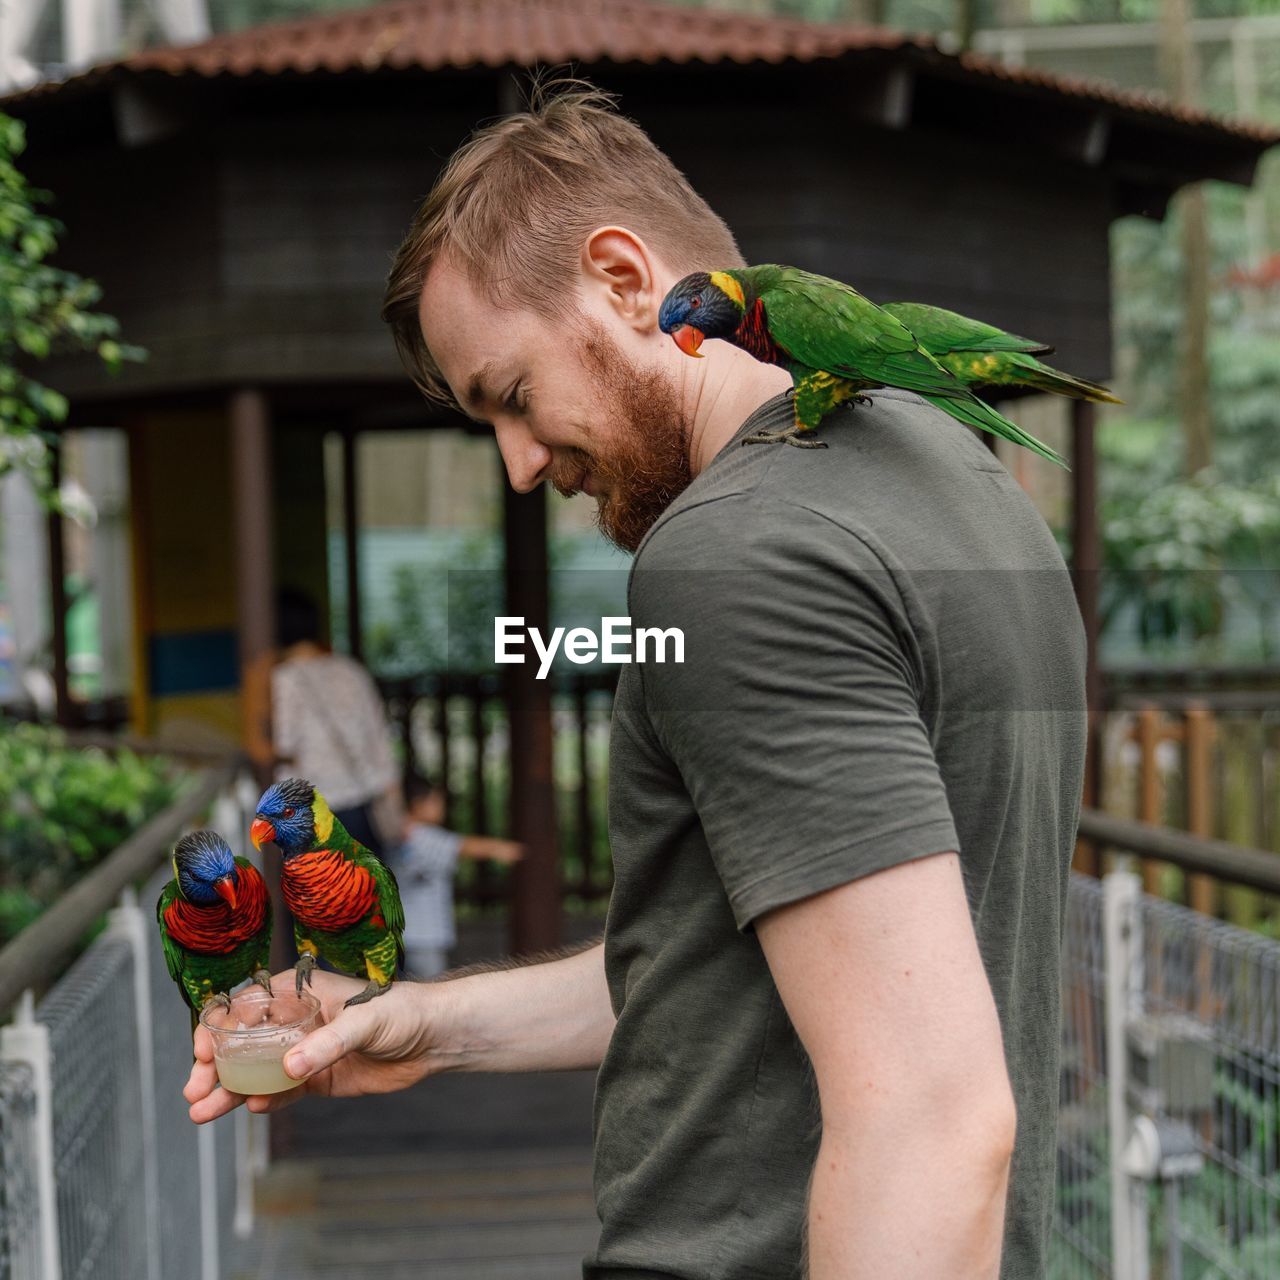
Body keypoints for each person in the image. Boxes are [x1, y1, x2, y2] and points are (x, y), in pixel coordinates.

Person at [188, 82, 1088, 1280]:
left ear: (624, 279)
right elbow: (757, 971)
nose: (516, 465)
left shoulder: (734, 553)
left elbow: (929, 1113)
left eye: (511, 397)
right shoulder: (959, 477)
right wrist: (432, 1025)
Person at [255, 586, 402, 857]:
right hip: (363, 808)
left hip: (315, 815)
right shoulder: (351, 670)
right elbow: (379, 738)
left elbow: (285, 744)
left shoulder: (284, 679)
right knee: (368, 893)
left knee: (323, 897)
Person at [393, 771, 524, 977]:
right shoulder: (420, 835)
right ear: (418, 803)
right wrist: (499, 848)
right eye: (436, 801)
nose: (441, 806)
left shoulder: (392, 835)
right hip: (425, 936)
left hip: (399, 933)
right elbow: (461, 846)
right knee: (429, 996)